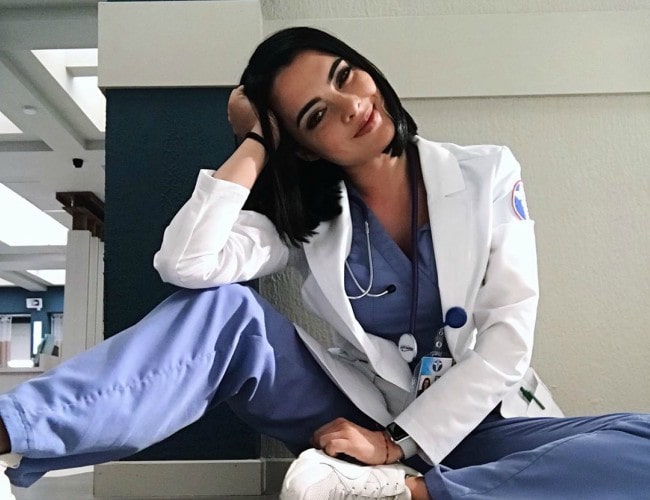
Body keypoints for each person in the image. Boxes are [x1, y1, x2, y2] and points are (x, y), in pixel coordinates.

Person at [0, 26, 648, 500]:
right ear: (304, 147)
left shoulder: (485, 173)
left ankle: (403, 492)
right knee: (224, 311)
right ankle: (11, 429)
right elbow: (187, 263)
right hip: (357, 413)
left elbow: (507, 340)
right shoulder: (309, 217)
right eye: (316, 115)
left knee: (640, 445)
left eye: (344, 75)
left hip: (485, 426)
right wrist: (257, 141)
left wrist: (397, 448)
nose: (351, 105)